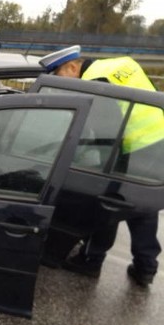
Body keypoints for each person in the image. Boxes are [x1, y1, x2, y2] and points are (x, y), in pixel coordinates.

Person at [39, 45, 163, 286]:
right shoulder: (119, 63)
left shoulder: (97, 81)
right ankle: (146, 266)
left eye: (58, 76)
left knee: (107, 199)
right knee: (142, 205)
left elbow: (107, 135)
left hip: (137, 144)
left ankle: (91, 260)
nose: (59, 84)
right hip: (159, 136)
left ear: (72, 67)